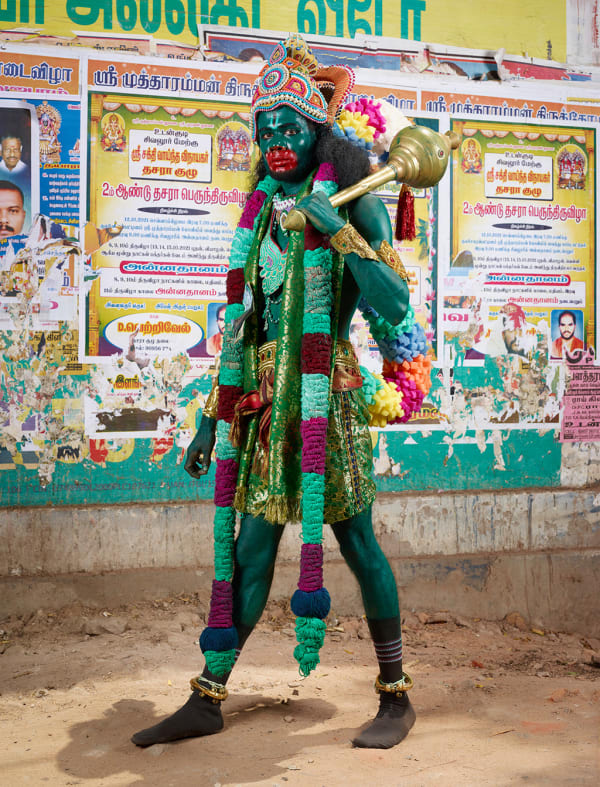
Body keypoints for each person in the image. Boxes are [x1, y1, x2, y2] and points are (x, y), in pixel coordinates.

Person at [132, 35, 415, 751]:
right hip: (264, 403)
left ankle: (395, 693)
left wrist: (337, 230)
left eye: (291, 126)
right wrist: (207, 421)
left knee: (359, 545)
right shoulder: (258, 216)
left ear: (318, 128)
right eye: (266, 129)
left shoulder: (353, 200)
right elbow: (243, 326)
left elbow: (395, 303)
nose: (277, 140)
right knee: (252, 547)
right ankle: (207, 693)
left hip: (329, 398)